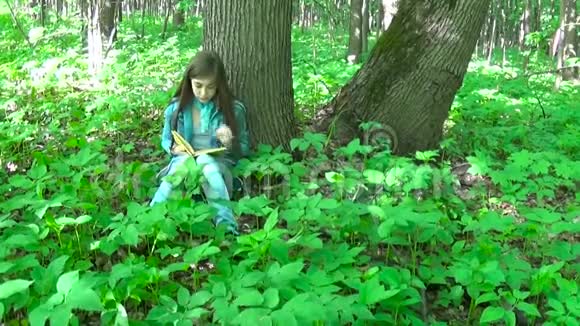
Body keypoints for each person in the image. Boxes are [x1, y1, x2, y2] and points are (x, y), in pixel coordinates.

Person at [150, 51, 250, 235]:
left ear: (219, 85)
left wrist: (229, 143)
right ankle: (150, 218)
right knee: (181, 166)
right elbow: (165, 140)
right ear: (189, 81)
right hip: (185, 160)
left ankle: (227, 227)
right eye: (198, 85)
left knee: (205, 162)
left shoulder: (233, 109)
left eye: (211, 87)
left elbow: (244, 148)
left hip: (218, 165)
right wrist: (174, 148)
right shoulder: (176, 108)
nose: (204, 93)